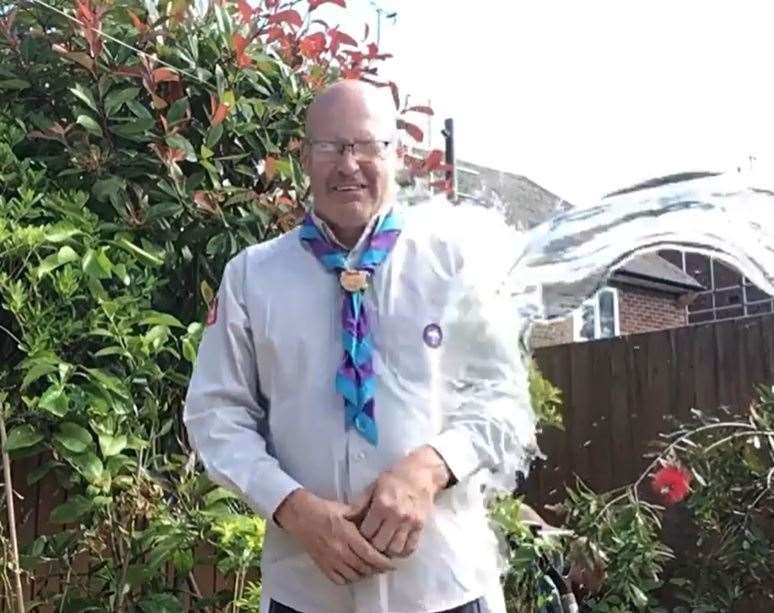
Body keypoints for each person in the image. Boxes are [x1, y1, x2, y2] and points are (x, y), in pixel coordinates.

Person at [183, 80, 536, 613]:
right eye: (330, 146)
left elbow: (503, 402)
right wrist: (293, 507)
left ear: (396, 154)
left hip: (446, 588)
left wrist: (430, 468)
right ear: (305, 157)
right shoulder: (252, 277)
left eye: (366, 145)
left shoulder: (458, 262)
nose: (348, 164)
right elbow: (214, 415)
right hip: (308, 591)